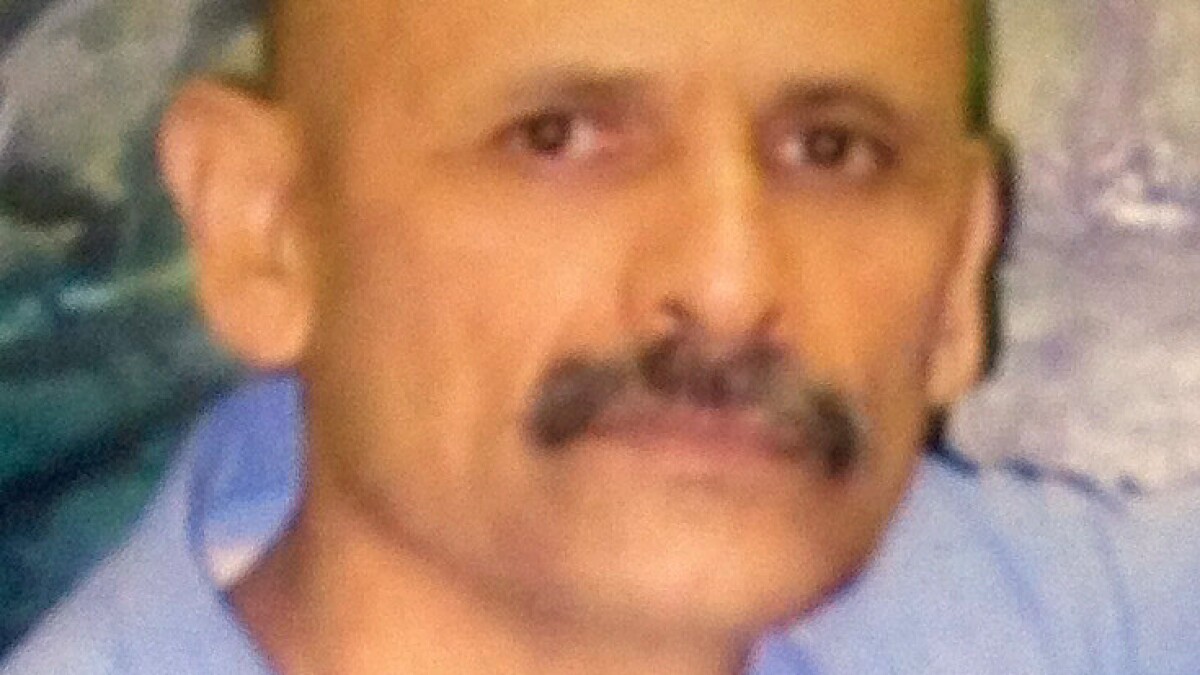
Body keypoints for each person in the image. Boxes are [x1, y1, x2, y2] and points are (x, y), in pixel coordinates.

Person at [3, 0, 1199, 672]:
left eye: (833, 151)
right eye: (558, 138)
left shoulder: (1055, 623)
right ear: (264, 230)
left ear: (958, 270)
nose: (729, 285)